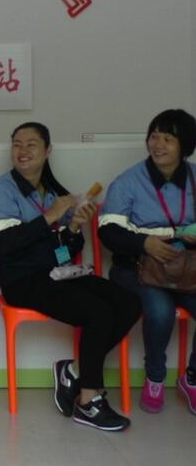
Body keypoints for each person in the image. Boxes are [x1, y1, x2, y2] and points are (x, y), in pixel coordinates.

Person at [0, 121, 141, 431]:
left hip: (59, 272)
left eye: (31, 144)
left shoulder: (55, 192)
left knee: (130, 303)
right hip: (22, 280)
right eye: (17, 144)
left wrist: (75, 227)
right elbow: (3, 246)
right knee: (98, 312)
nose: (23, 151)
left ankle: (74, 371)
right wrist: (50, 216)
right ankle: (88, 401)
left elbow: (65, 251)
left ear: (48, 150)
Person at [99, 109, 196, 416]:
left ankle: (192, 378)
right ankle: (155, 377)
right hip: (137, 268)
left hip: (186, 269)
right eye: (154, 136)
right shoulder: (128, 182)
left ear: (185, 145)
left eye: (168, 139)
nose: (158, 144)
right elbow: (108, 232)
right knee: (160, 310)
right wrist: (145, 243)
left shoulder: (194, 177)